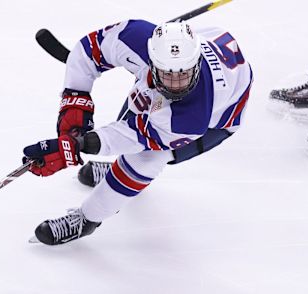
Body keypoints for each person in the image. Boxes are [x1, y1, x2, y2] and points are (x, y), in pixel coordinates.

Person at [23, 20, 253, 245]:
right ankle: (115, 173)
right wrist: (75, 100)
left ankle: (86, 220)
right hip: (212, 40)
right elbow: (88, 50)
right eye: (167, 74)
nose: (175, 85)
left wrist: (80, 144)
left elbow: (131, 136)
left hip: (221, 117)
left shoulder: (190, 117)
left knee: (145, 158)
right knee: (139, 105)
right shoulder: (136, 36)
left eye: (182, 75)